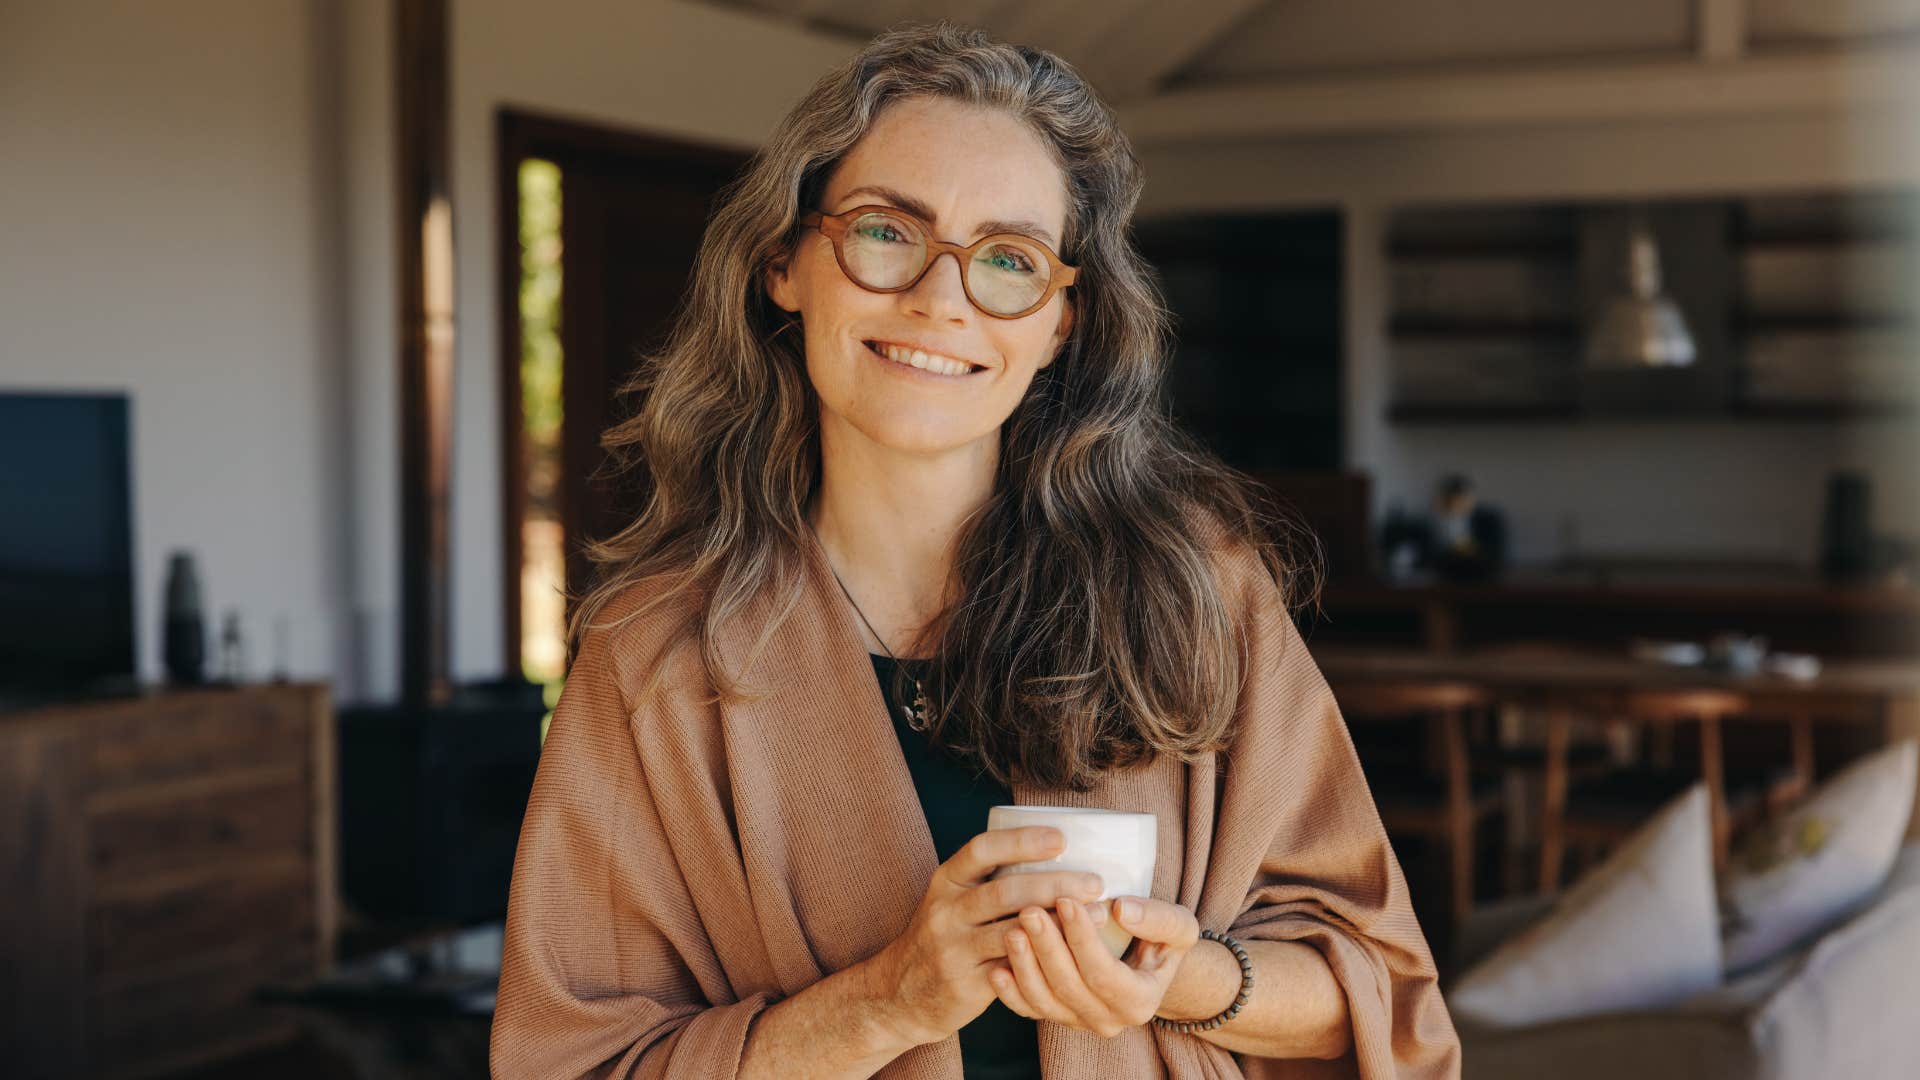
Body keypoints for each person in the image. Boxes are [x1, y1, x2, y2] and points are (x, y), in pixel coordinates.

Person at [490, 21, 1459, 1080]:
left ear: (1058, 322)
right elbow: (574, 1064)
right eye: (886, 232)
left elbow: (1381, 997)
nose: (941, 298)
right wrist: (890, 999)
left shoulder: (1197, 594)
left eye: (1009, 258)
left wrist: (1181, 981)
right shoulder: (655, 653)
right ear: (784, 264)